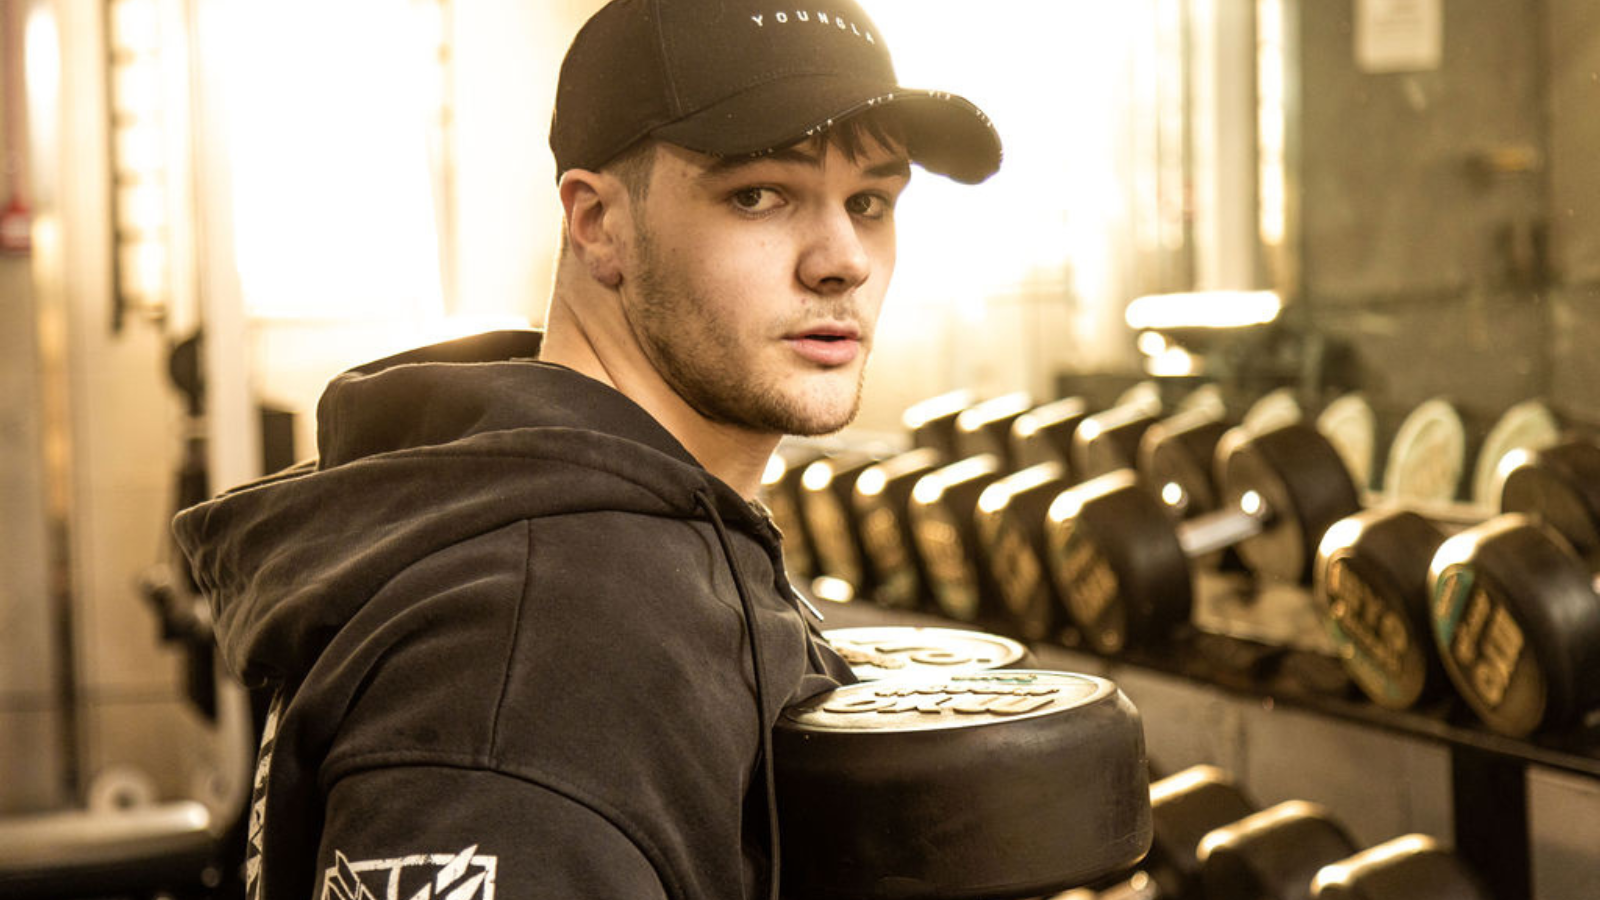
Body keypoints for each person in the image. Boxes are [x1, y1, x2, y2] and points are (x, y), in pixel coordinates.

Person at [174, 1, 1000, 898]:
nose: (843, 259)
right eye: (758, 194)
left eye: (870, 201)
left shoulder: (635, 548)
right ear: (597, 222)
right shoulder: (537, 655)